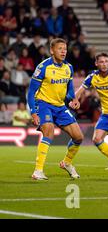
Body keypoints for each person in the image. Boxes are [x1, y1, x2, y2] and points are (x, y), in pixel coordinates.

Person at [27, 38, 84, 180]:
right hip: (44, 104)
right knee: (49, 132)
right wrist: (33, 112)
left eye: (65, 48)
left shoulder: (68, 68)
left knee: (78, 137)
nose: (63, 51)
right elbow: (30, 92)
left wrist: (73, 99)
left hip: (60, 106)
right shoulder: (43, 67)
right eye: (60, 48)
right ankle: (38, 171)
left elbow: (69, 91)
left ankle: (67, 163)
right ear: (52, 51)